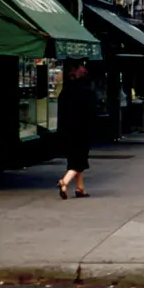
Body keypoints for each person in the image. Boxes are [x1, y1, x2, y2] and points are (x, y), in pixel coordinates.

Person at [56, 61, 94, 199]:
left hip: (67, 130)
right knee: (80, 160)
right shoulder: (86, 91)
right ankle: (64, 181)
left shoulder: (65, 91)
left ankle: (80, 188)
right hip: (82, 130)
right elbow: (91, 113)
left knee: (73, 158)